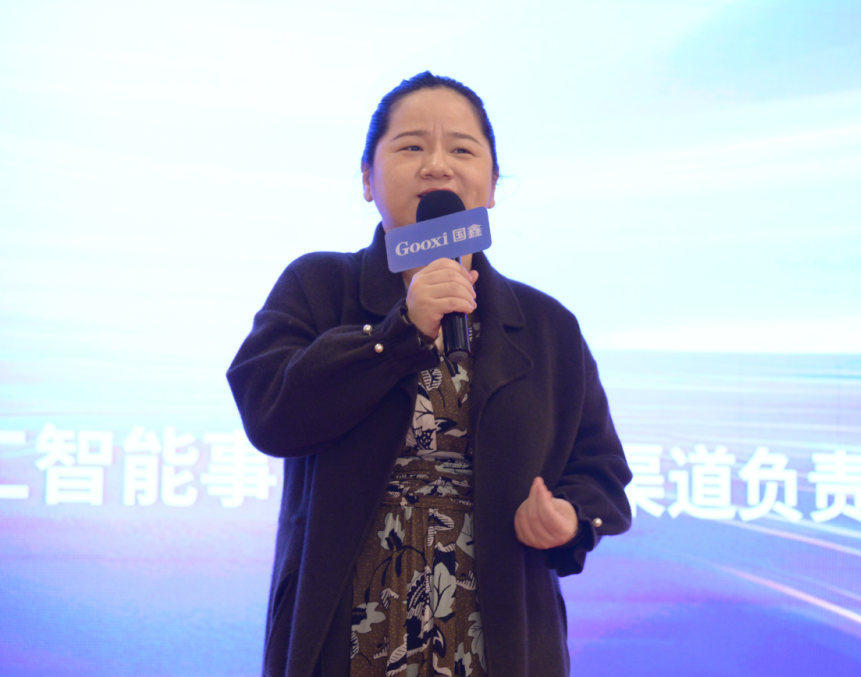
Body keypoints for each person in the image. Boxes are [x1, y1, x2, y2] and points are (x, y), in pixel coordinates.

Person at [227, 71, 632, 677]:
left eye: (462, 149)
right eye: (411, 146)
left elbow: (601, 471)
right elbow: (270, 411)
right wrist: (401, 332)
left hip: (497, 639)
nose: (437, 165)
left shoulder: (546, 325)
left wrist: (570, 517)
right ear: (367, 179)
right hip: (349, 632)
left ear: (492, 184)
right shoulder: (318, 287)